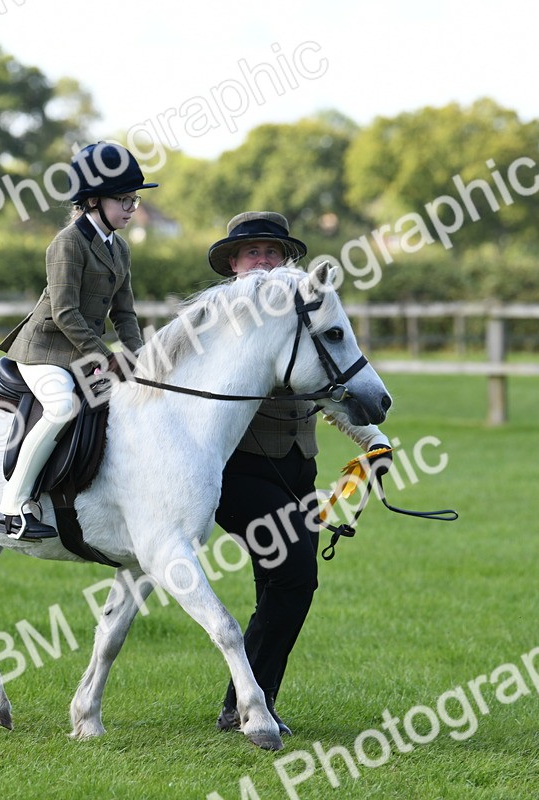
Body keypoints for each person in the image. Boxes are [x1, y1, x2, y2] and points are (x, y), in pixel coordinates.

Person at [207, 212, 391, 734]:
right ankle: (251, 704)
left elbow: (332, 390)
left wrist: (373, 440)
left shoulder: (304, 318)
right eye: (252, 253)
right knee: (294, 576)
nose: (263, 261)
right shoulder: (220, 324)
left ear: (288, 262)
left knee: (286, 586)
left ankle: (244, 702)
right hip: (237, 471)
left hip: (296, 469)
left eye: (273, 252)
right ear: (234, 267)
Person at [0, 142, 158, 540]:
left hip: (79, 353)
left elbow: (124, 313)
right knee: (63, 405)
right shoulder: (67, 243)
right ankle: (12, 508)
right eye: (124, 199)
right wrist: (105, 356)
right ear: (93, 201)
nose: (132, 207)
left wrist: (137, 356)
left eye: (134, 199)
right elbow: (66, 312)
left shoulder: (119, 248)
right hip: (45, 350)